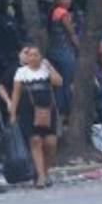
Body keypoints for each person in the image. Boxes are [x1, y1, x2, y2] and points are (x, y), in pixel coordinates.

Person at [9, 45, 63, 188]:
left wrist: (49, 67)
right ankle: (40, 176)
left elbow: (59, 82)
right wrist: (13, 114)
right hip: (29, 112)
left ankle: (45, 171)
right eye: (30, 55)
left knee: (51, 143)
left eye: (36, 55)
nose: (33, 58)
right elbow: (16, 94)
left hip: (47, 111)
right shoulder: (21, 72)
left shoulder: (45, 70)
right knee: (36, 141)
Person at [47, 0, 79, 113]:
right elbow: (71, 33)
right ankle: (66, 111)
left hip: (53, 52)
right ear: (58, 1)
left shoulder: (53, 13)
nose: (67, 1)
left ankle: (59, 111)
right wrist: (79, 48)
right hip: (64, 53)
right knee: (67, 83)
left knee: (58, 84)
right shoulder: (63, 13)